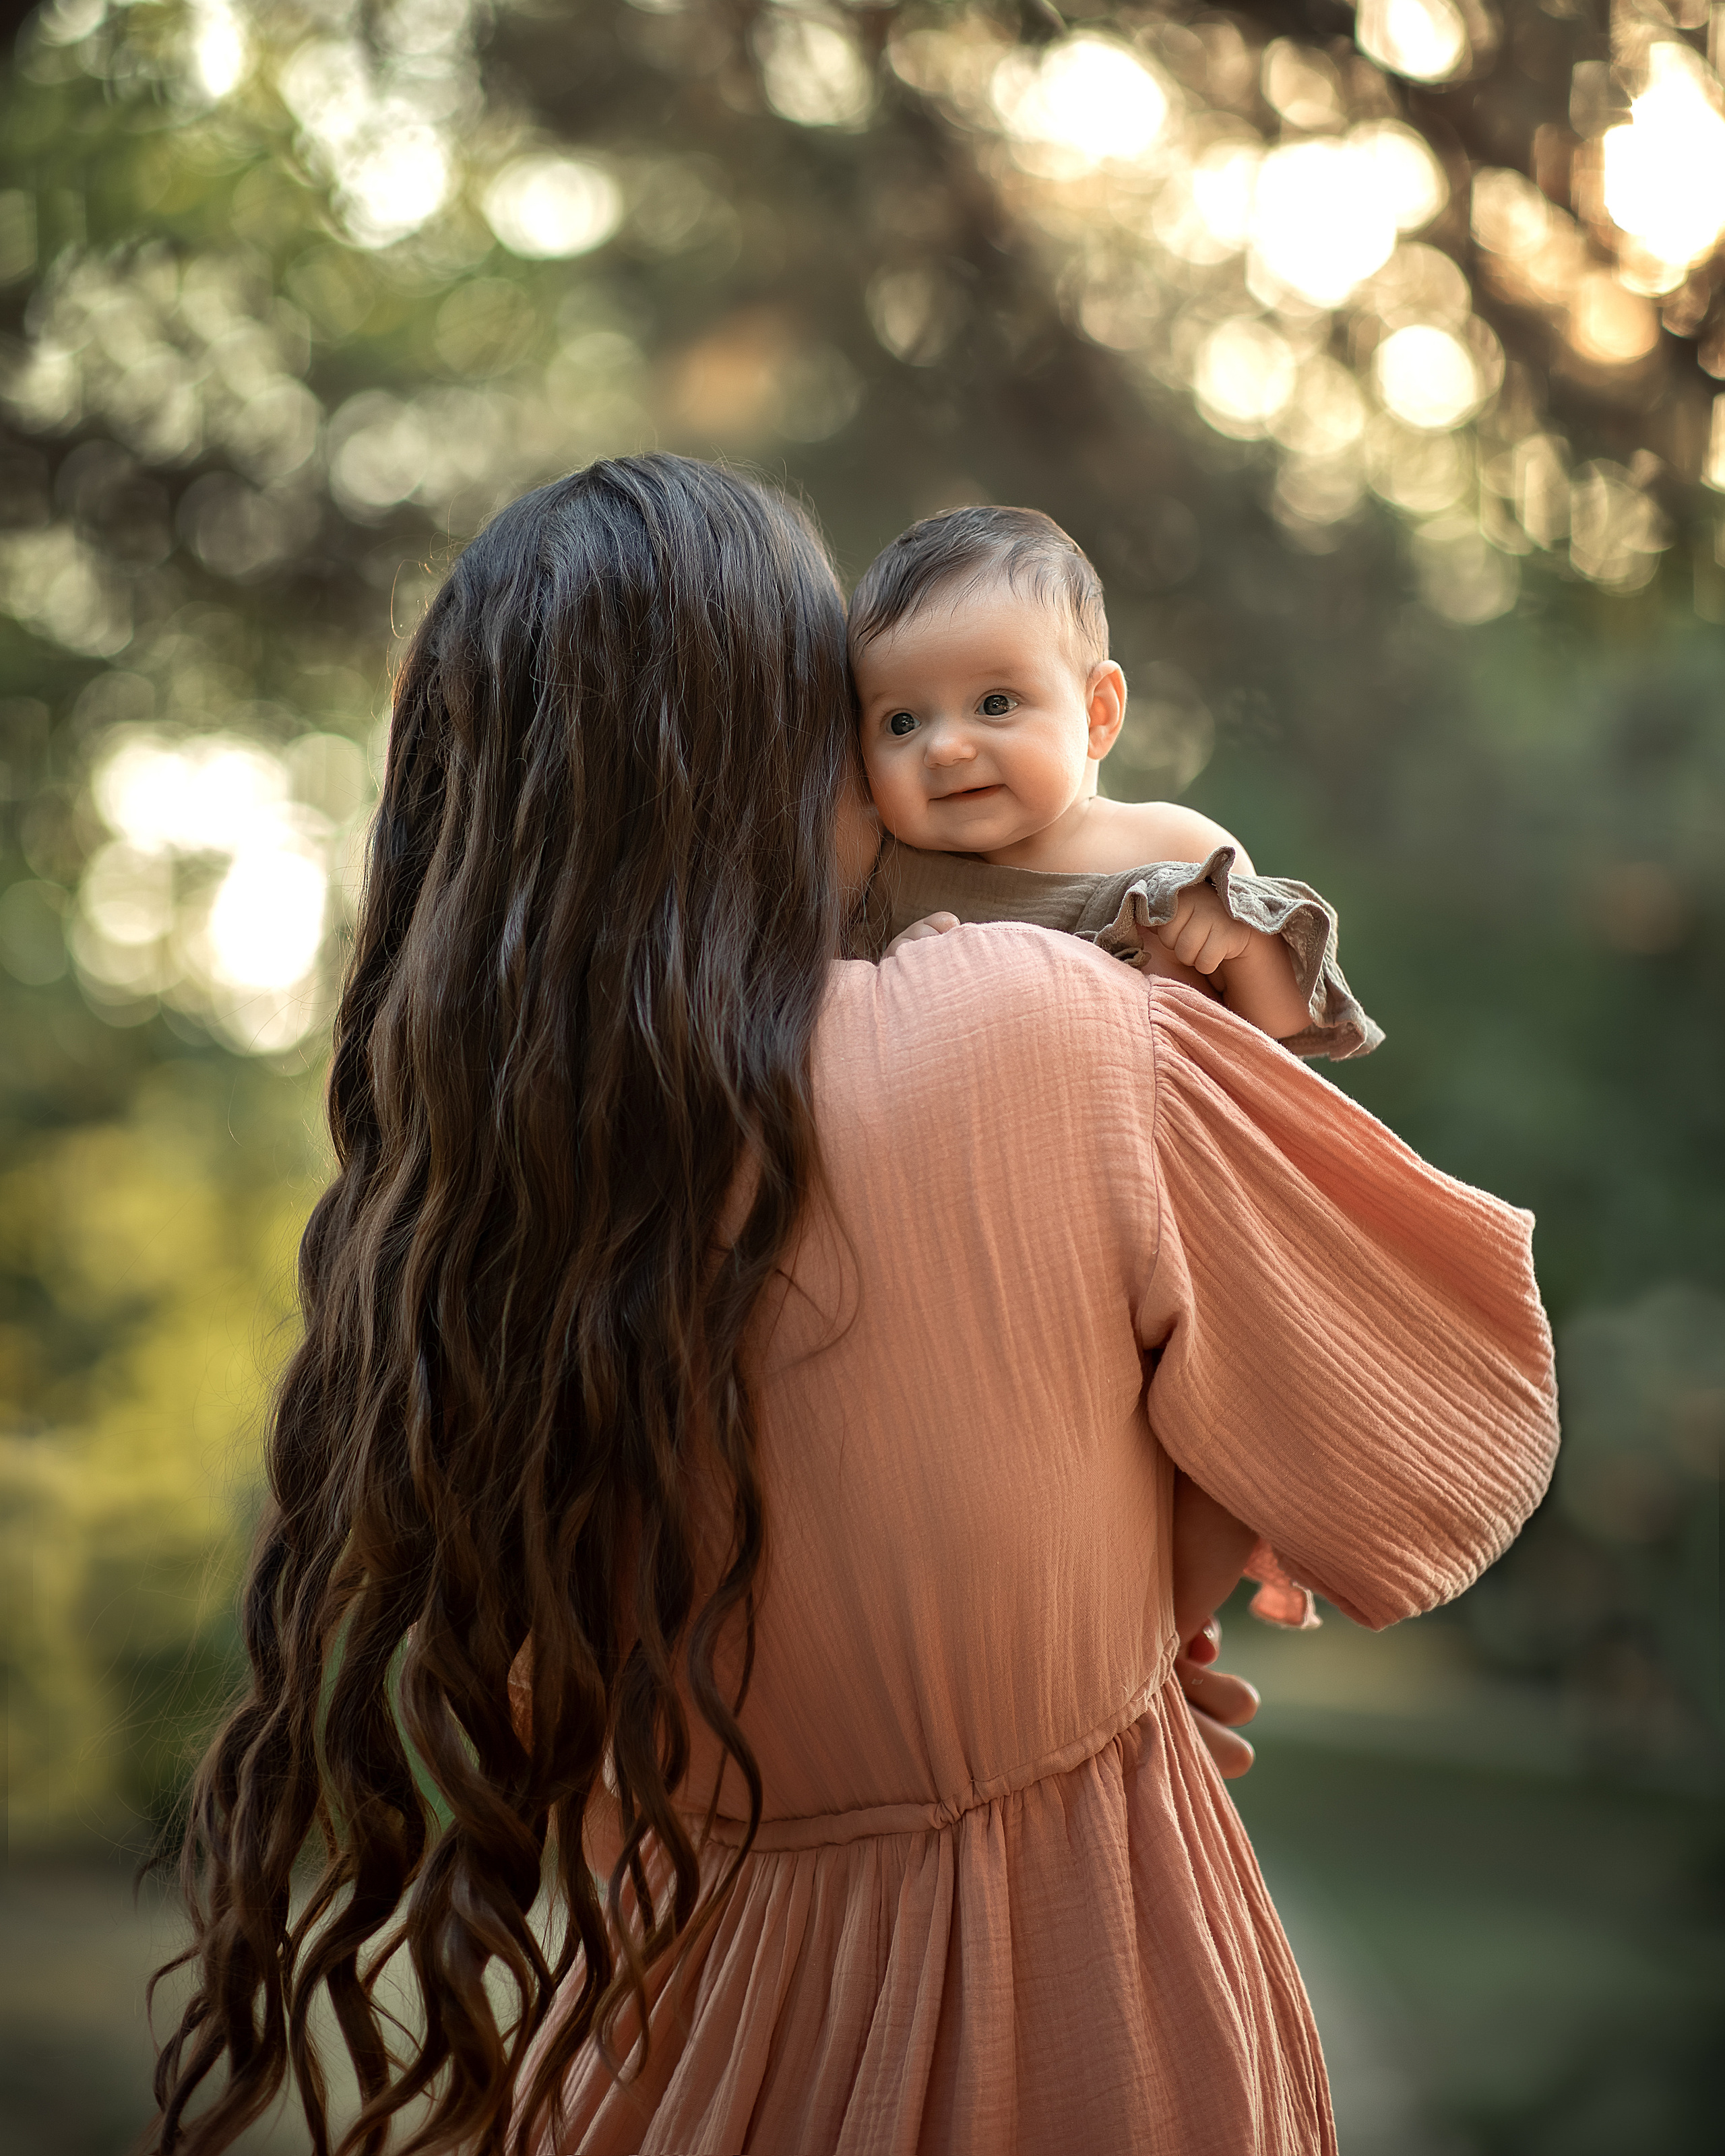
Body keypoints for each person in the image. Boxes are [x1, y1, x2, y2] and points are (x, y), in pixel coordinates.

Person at [150, 455, 1558, 2156]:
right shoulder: (1037, 1029)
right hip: (1071, 2018)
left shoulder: (489, 1203)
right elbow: (1439, 1442)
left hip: (668, 2051)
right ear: (785, 742)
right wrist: (1092, 1649)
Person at [851, 503, 1384, 1637]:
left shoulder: (1166, 847)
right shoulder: (885, 885)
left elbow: (1286, 1034)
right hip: (1006, 1250)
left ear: (1097, 712)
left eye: (995, 703)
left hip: (1181, 1224)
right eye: (901, 720)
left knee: (1215, 1445)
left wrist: (1230, 946)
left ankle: (1155, 1649)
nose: (946, 745)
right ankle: (1083, 1641)